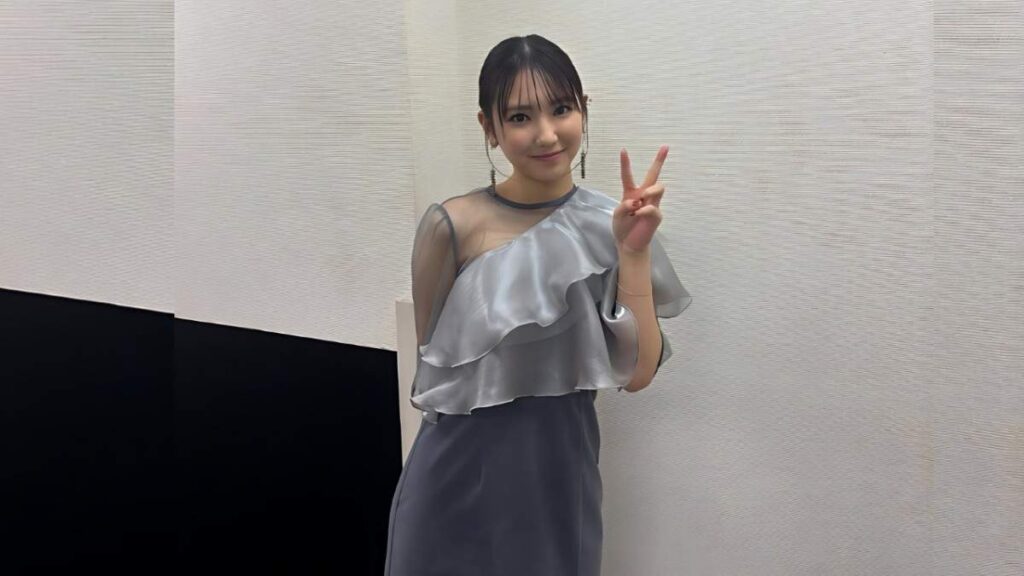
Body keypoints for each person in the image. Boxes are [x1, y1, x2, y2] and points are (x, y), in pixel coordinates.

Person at [383, 34, 692, 576]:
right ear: (489, 127)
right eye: (521, 116)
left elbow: (638, 374)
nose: (547, 134)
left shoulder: (612, 222)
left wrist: (632, 253)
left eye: (562, 108)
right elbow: (437, 379)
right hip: (450, 477)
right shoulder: (450, 226)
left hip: (556, 476)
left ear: (583, 109)